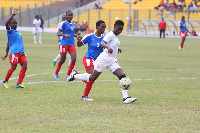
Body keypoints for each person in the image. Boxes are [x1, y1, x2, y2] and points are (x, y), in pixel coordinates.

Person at [67, 20, 137, 104]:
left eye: (121, 30)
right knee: (92, 78)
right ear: (115, 27)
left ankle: (125, 98)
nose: (120, 31)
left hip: (112, 60)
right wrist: (108, 47)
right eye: (118, 29)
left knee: (122, 76)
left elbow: (112, 44)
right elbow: (102, 43)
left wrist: (116, 49)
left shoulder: (115, 37)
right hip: (104, 59)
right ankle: (75, 75)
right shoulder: (110, 35)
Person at [75, 20, 106, 101]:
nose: (103, 29)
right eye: (102, 27)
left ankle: (76, 74)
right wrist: (78, 39)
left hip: (97, 61)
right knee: (92, 76)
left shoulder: (104, 38)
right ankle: (84, 96)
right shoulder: (89, 36)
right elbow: (79, 45)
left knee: (92, 78)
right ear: (97, 27)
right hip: (88, 58)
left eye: (104, 28)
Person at [1, 8, 27, 89]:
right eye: (13, 23)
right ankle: (5, 82)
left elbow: (9, 43)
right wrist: (13, 14)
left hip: (21, 53)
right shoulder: (10, 31)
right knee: (13, 67)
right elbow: (6, 23)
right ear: (10, 24)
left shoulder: (17, 32)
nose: (15, 24)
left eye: (16, 23)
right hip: (14, 53)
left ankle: (19, 83)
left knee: (24, 67)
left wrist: (6, 53)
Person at [53, 11, 79, 80]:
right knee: (62, 60)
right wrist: (64, 35)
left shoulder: (73, 24)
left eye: (71, 15)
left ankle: (68, 74)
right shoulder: (63, 24)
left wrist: (76, 36)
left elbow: (71, 34)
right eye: (69, 15)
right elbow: (58, 33)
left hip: (71, 44)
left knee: (74, 59)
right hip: (64, 44)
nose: (70, 16)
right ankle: (55, 73)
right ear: (66, 16)